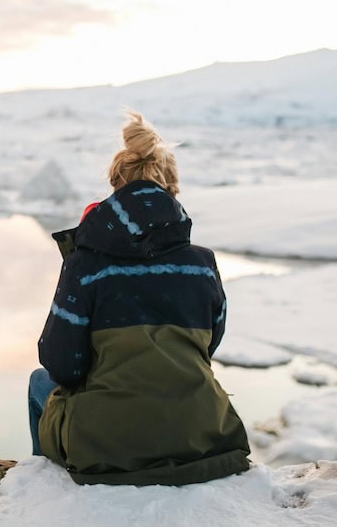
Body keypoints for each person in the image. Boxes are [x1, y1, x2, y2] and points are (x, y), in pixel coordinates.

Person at [28, 110, 251, 486]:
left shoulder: (87, 264)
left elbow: (61, 363)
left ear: (116, 186)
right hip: (202, 436)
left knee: (40, 383)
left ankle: (42, 490)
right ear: (171, 188)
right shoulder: (202, 264)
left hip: (107, 446)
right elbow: (207, 346)